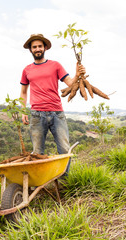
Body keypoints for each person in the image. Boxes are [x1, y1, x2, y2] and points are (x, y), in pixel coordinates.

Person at [20, 34, 85, 172]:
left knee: (64, 149)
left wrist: (77, 74)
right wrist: (22, 111)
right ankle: (40, 181)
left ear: (45, 48)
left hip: (57, 113)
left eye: (39, 46)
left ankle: (64, 181)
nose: (37, 49)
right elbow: (24, 92)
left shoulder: (55, 65)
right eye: (34, 47)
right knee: (37, 152)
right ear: (30, 50)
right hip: (37, 115)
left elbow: (70, 83)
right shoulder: (27, 70)